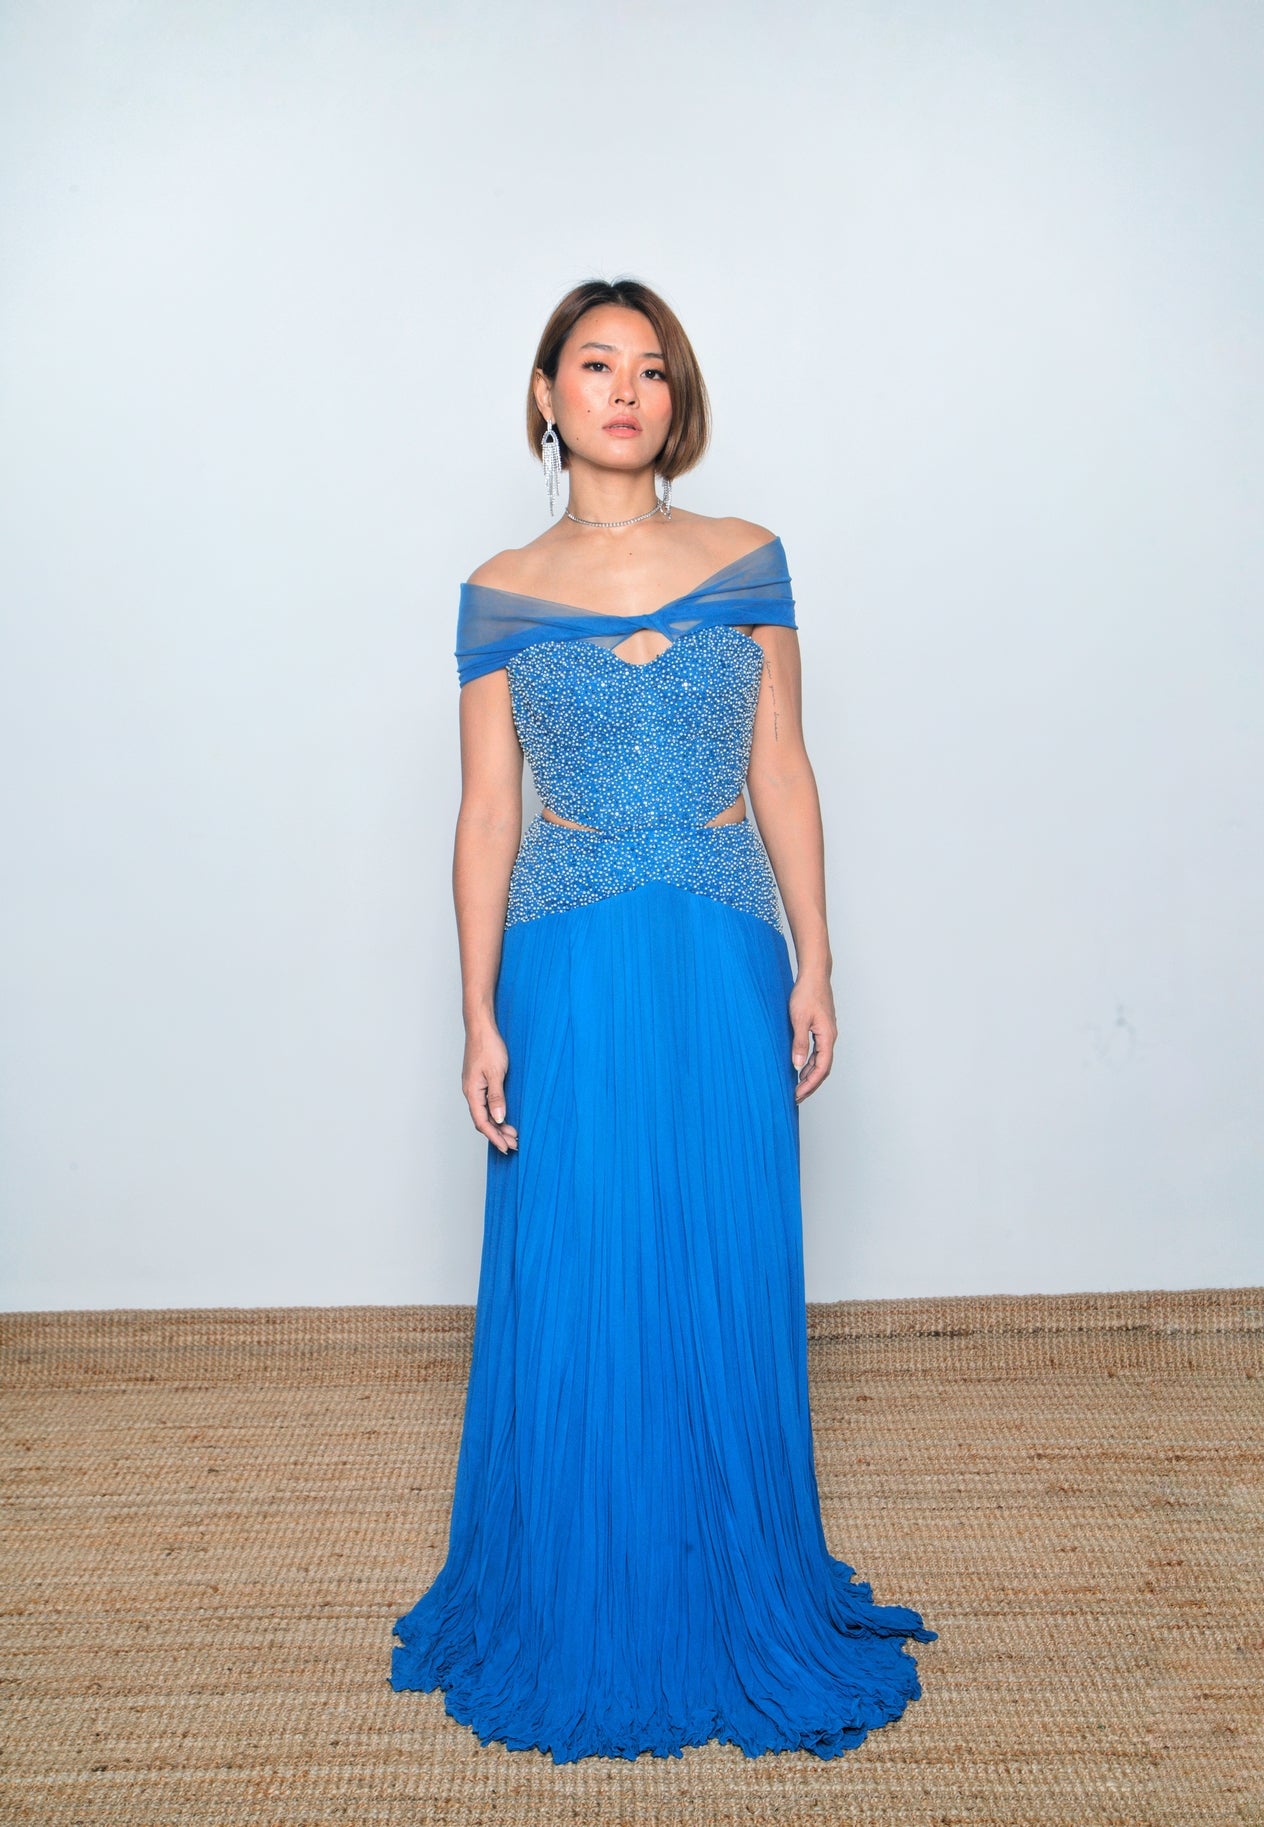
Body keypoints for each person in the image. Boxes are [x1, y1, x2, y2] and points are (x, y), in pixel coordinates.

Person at [390, 277, 938, 1764]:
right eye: (596, 364)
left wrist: (817, 961)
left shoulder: (747, 557)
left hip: (719, 951)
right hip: (566, 962)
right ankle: (578, 1596)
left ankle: (730, 1590)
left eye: (650, 369)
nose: (625, 391)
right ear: (548, 395)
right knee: (581, 1262)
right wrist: (477, 1010)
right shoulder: (500, 589)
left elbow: (785, 770)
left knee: (721, 1251)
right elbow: (487, 813)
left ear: (675, 401)